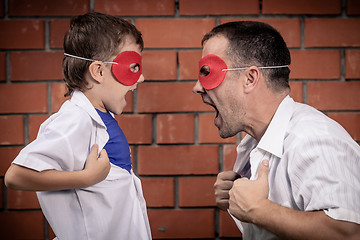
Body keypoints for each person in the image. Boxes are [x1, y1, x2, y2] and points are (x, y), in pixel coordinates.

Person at [193, 21, 360, 239]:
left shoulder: (312, 139)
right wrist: (239, 197)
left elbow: (349, 232)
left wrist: (258, 210)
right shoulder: (255, 144)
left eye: (207, 72)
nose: (197, 87)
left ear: (250, 78)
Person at [5, 12, 151, 240]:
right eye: (133, 67)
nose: (140, 78)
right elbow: (16, 176)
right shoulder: (75, 119)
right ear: (99, 71)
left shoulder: (101, 117)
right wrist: (86, 178)